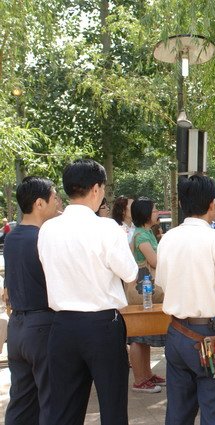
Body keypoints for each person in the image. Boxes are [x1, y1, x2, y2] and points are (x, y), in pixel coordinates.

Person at [37, 159, 138, 424]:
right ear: (96, 188)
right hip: (101, 325)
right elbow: (130, 273)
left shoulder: (48, 229)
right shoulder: (106, 228)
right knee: (113, 407)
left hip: (62, 326)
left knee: (64, 410)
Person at [155, 175, 215, 425]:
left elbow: (162, 286)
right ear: (212, 203)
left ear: (181, 203)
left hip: (176, 333)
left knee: (178, 411)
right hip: (212, 337)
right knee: (214, 410)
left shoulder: (167, 239)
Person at [3, 177, 59, 424]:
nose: (58, 202)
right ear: (39, 203)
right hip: (42, 326)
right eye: (54, 197)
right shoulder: (43, 239)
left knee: (21, 400)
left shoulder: (12, 237)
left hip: (17, 328)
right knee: (51, 401)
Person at [128, 197, 166, 393]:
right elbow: (155, 261)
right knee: (138, 336)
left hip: (147, 290)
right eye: (154, 210)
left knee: (145, 334)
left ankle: (147, 375)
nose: (157, 212)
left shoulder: (146, 232)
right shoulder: (142, 236)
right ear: (145, 214)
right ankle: (140, 379)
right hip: (142, 290)